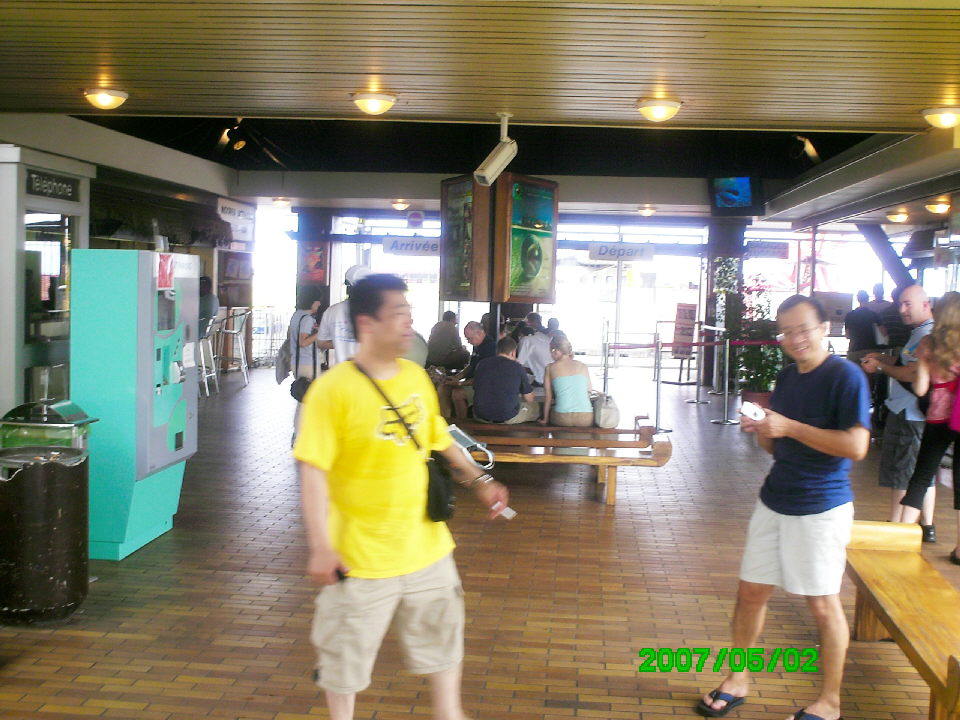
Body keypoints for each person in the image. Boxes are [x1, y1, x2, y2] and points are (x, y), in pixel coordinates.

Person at [294, 273, 509, 720]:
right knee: (343, 662)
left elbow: (438, 437)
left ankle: (449, 714)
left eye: (410, 313)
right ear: (367, 324)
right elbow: (313, 471)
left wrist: (480, 481)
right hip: (358, 559)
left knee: (444, 642)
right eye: (399, 314)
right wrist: (320, 546)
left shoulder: (415, 377)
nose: (409, 322)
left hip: (426, 548)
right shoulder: (332, 391)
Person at [697, 295, 869, 720]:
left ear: (825, 328)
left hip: (821, 506)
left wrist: (788, 426)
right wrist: (763, 429)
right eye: (786, 332)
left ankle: (830, 703)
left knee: (823, 605)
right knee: (750, 593)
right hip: (775, 499)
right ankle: (738, 678)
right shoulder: (788, 376)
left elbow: (857, 446)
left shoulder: (845, 376)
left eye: (803, 329)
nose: (794, 339)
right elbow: (778, 447)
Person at [860, 284, 935, 531]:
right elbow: (904, 363)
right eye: (900, 304)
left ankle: (899, 527)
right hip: (915, 412)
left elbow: (910, 374)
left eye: (907, 304)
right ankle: (926, 525)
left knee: (903, 471)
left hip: (910, 412)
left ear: (926, 304)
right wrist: (882, 358)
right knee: (922, 470)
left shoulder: (926, 335)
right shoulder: (921, 333)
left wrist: (881, 367)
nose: (902, 310)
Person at [898, 291, 960, 563]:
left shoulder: (927, 344)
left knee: (922, 476)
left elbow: (921, 389)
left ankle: (901, 537)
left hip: (937, 418)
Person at [472, 336, 539, 424]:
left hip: (480, 415)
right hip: (507, 416)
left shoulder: (481, 364)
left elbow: (477, 387)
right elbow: (529, 398)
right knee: (535, 407)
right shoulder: (517, 367)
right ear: (513, 353)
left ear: (497, 351)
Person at [438, 321, 496, 418]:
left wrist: (460, 383)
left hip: (483, 385)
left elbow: (483, 378)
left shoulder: (490, 348)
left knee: (457, 394)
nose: (468, 341)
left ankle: (462, 422)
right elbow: (470, 366)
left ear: (480, 333)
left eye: (470, 338)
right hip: (472, 382)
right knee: (443, 387)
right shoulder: (477, 345)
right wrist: (456, 377)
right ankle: (446, 418)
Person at [316, 265, 371, 366]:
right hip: (370, 373)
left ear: (348, 287)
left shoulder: (332, 311)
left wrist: (340, 342)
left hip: (342, 373)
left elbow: (321, 343)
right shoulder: (378, 312)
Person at [539, 334, 593, 427]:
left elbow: (548, 397)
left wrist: (545, 419)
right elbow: (589, 391)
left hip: (562, 417)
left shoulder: (550, 368)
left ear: (555, 351)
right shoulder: (583, 366)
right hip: (585, 417)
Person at [289, 287, 325, 381]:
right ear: (312, 301)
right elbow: (303, 343)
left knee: (301, 388)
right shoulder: (307, 319)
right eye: (318, 301)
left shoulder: (296, 315)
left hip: (296, 361)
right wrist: (320, 332)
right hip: (308, 363)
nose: (319, 304)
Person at [843, 290, 881, 366]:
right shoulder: (874, 314)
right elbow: (883, 332)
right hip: (871, 350)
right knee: (870, 372)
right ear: (867, 299)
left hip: (854, 350)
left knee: (851, 371)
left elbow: (847, 336)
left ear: (858, 299)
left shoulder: (850, 315)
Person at [516, 312, 553, 385]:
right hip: (552, 378)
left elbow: (519, 363)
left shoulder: (526, 340)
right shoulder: (544, 336)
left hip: (540, 380)